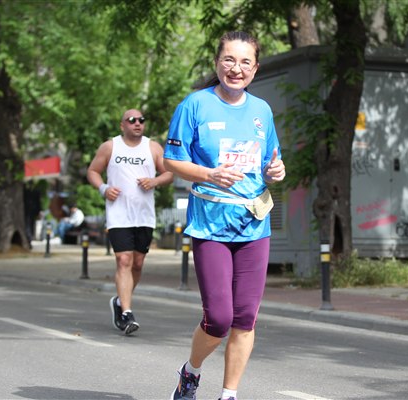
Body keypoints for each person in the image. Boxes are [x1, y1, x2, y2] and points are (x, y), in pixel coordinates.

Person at [163, 31, 286, 400]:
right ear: (217, 63)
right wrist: (209, 174)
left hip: (254, 226)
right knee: (218, 319)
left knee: (245, 317)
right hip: (210, 226)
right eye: (229, 60)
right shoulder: (195, 105)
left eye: (245, 62)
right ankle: (191, 371)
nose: (236, 68)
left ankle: (229, 394)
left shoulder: (262, 110)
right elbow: (172, 161)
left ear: (255, 68)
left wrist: (276, 171)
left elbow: (271, 162)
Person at [87, 109, 173, 335]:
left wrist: (154, 181)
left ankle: (119, 300)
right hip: (118, 214)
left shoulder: (153, 147)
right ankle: (127, 312)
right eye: (131, 120)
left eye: (141, 120)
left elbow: (169, 173)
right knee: (123, 260)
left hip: (144, 215)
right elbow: (93, 171)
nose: (137, 123)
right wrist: (104, 188)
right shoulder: (110, 146)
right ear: (122, 125)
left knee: (137, 264)